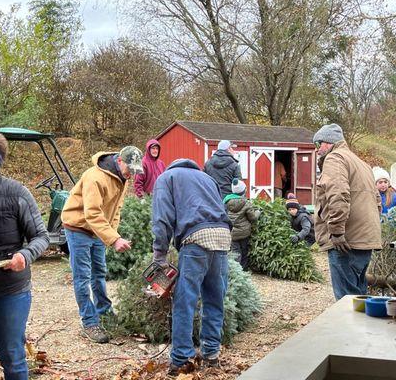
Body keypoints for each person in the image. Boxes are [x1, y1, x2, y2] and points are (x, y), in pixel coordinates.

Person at [152, 159, 232, 376]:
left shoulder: (166, 178)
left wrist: (159, 254)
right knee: (214, 298)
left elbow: (162, 218)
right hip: (222, 235)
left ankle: (181, 358)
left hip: (196, 238)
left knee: (185, 301)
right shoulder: (207, 178)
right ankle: (211, 354)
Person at [61, 146, 144, 343]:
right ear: (120, 161)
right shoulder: (95, 177)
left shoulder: (121, 178)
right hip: (78, 228)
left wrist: (112, 234)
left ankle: (104, 312)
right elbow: (92, 213)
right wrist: (114, 239)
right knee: (82, 276)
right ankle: (89, 321)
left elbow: (115, 210)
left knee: (99, 273)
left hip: (97, 231)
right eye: (129, 170)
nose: (131, 175)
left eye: (134, 171)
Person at [0, 132, 49, 380]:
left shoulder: (16, 193)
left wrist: (24, 256)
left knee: (11, 354)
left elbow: (41, 236)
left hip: (11, 290)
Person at [313, 124, 381, 300]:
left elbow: (338, 194)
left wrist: (336, 231)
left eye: (318, 144)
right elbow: (377, 202)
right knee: (359, 298)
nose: (318, 149)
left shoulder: (335, 159)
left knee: (346, 303)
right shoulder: (361, 163)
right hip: (364, 238)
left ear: (327, 142)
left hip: (346, 240)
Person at [224, 178, 260, 270]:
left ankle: (236, 272)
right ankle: (243, 271)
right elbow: (253, 218)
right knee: (244, 251)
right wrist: (258, 212)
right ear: (244, 191)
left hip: (232, 232)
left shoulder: (226, 202)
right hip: (244, 233)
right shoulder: (246, 203)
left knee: (235, 252)